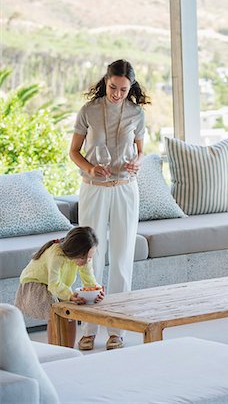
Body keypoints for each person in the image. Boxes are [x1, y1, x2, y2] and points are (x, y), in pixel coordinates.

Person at [69, 59, 151, 351]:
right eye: (113, 87)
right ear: (105, 81)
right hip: (94, 190)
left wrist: (137, 163)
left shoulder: (136, 113)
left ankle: (118, 327)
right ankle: (89, 327)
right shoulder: (89, 111)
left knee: (121, 257)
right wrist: (90, 169)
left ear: (131, 88)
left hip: (126, 190)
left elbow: (141, 152)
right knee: (91, 255)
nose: (117, 93)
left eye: (123, 89)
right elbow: (74, 152)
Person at [15, 226, 104, 347]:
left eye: (90, 257)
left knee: (71, 314)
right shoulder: (57, 254)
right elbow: (54, 283)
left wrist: (96, 292)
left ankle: (69, 349)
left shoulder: (85, 258)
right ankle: (55, 349)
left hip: (58, 286)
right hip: (37, 283)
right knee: (55, 313)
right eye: (85, 257)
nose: (88, 261)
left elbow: (89, 279)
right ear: (75, 251)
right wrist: (70, 295)